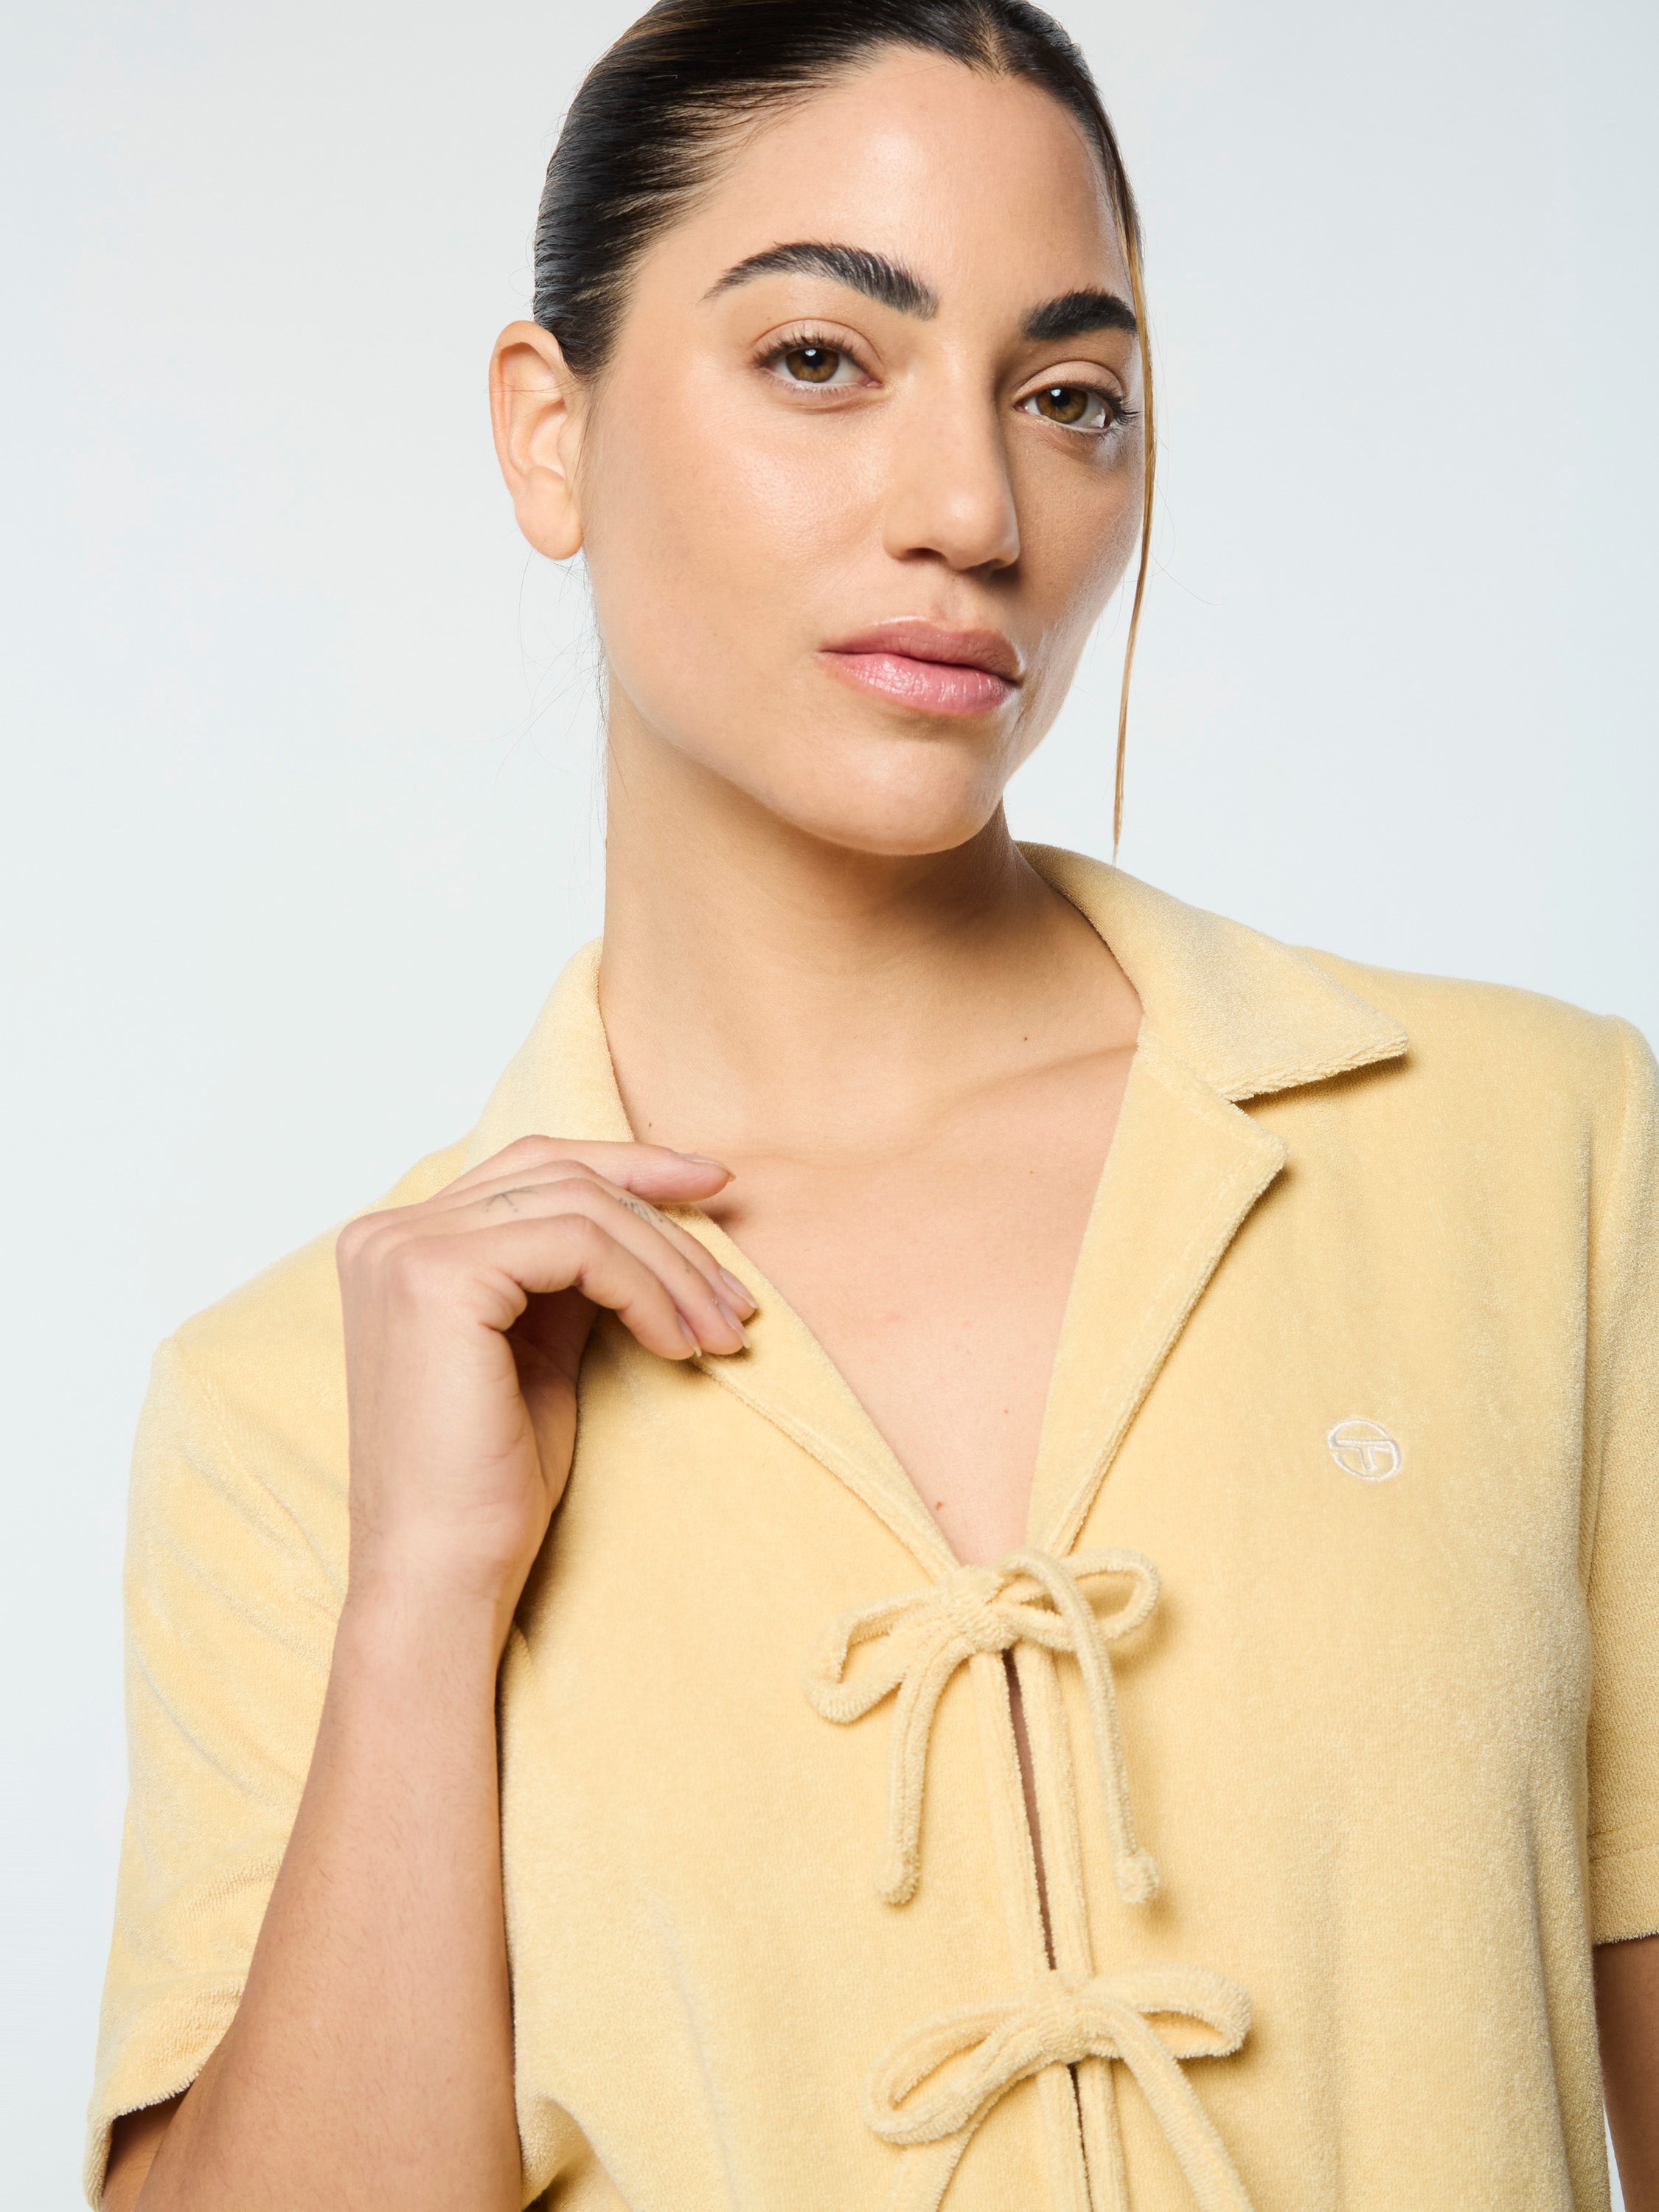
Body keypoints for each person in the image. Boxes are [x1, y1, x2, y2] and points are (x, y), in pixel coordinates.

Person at [90, 3, 1658, 2208]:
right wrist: (423, 1593)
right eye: (822, 358)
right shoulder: (293, 1410)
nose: (973, 511)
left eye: (1070, 397)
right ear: (549, 434)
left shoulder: (1533, 1162)